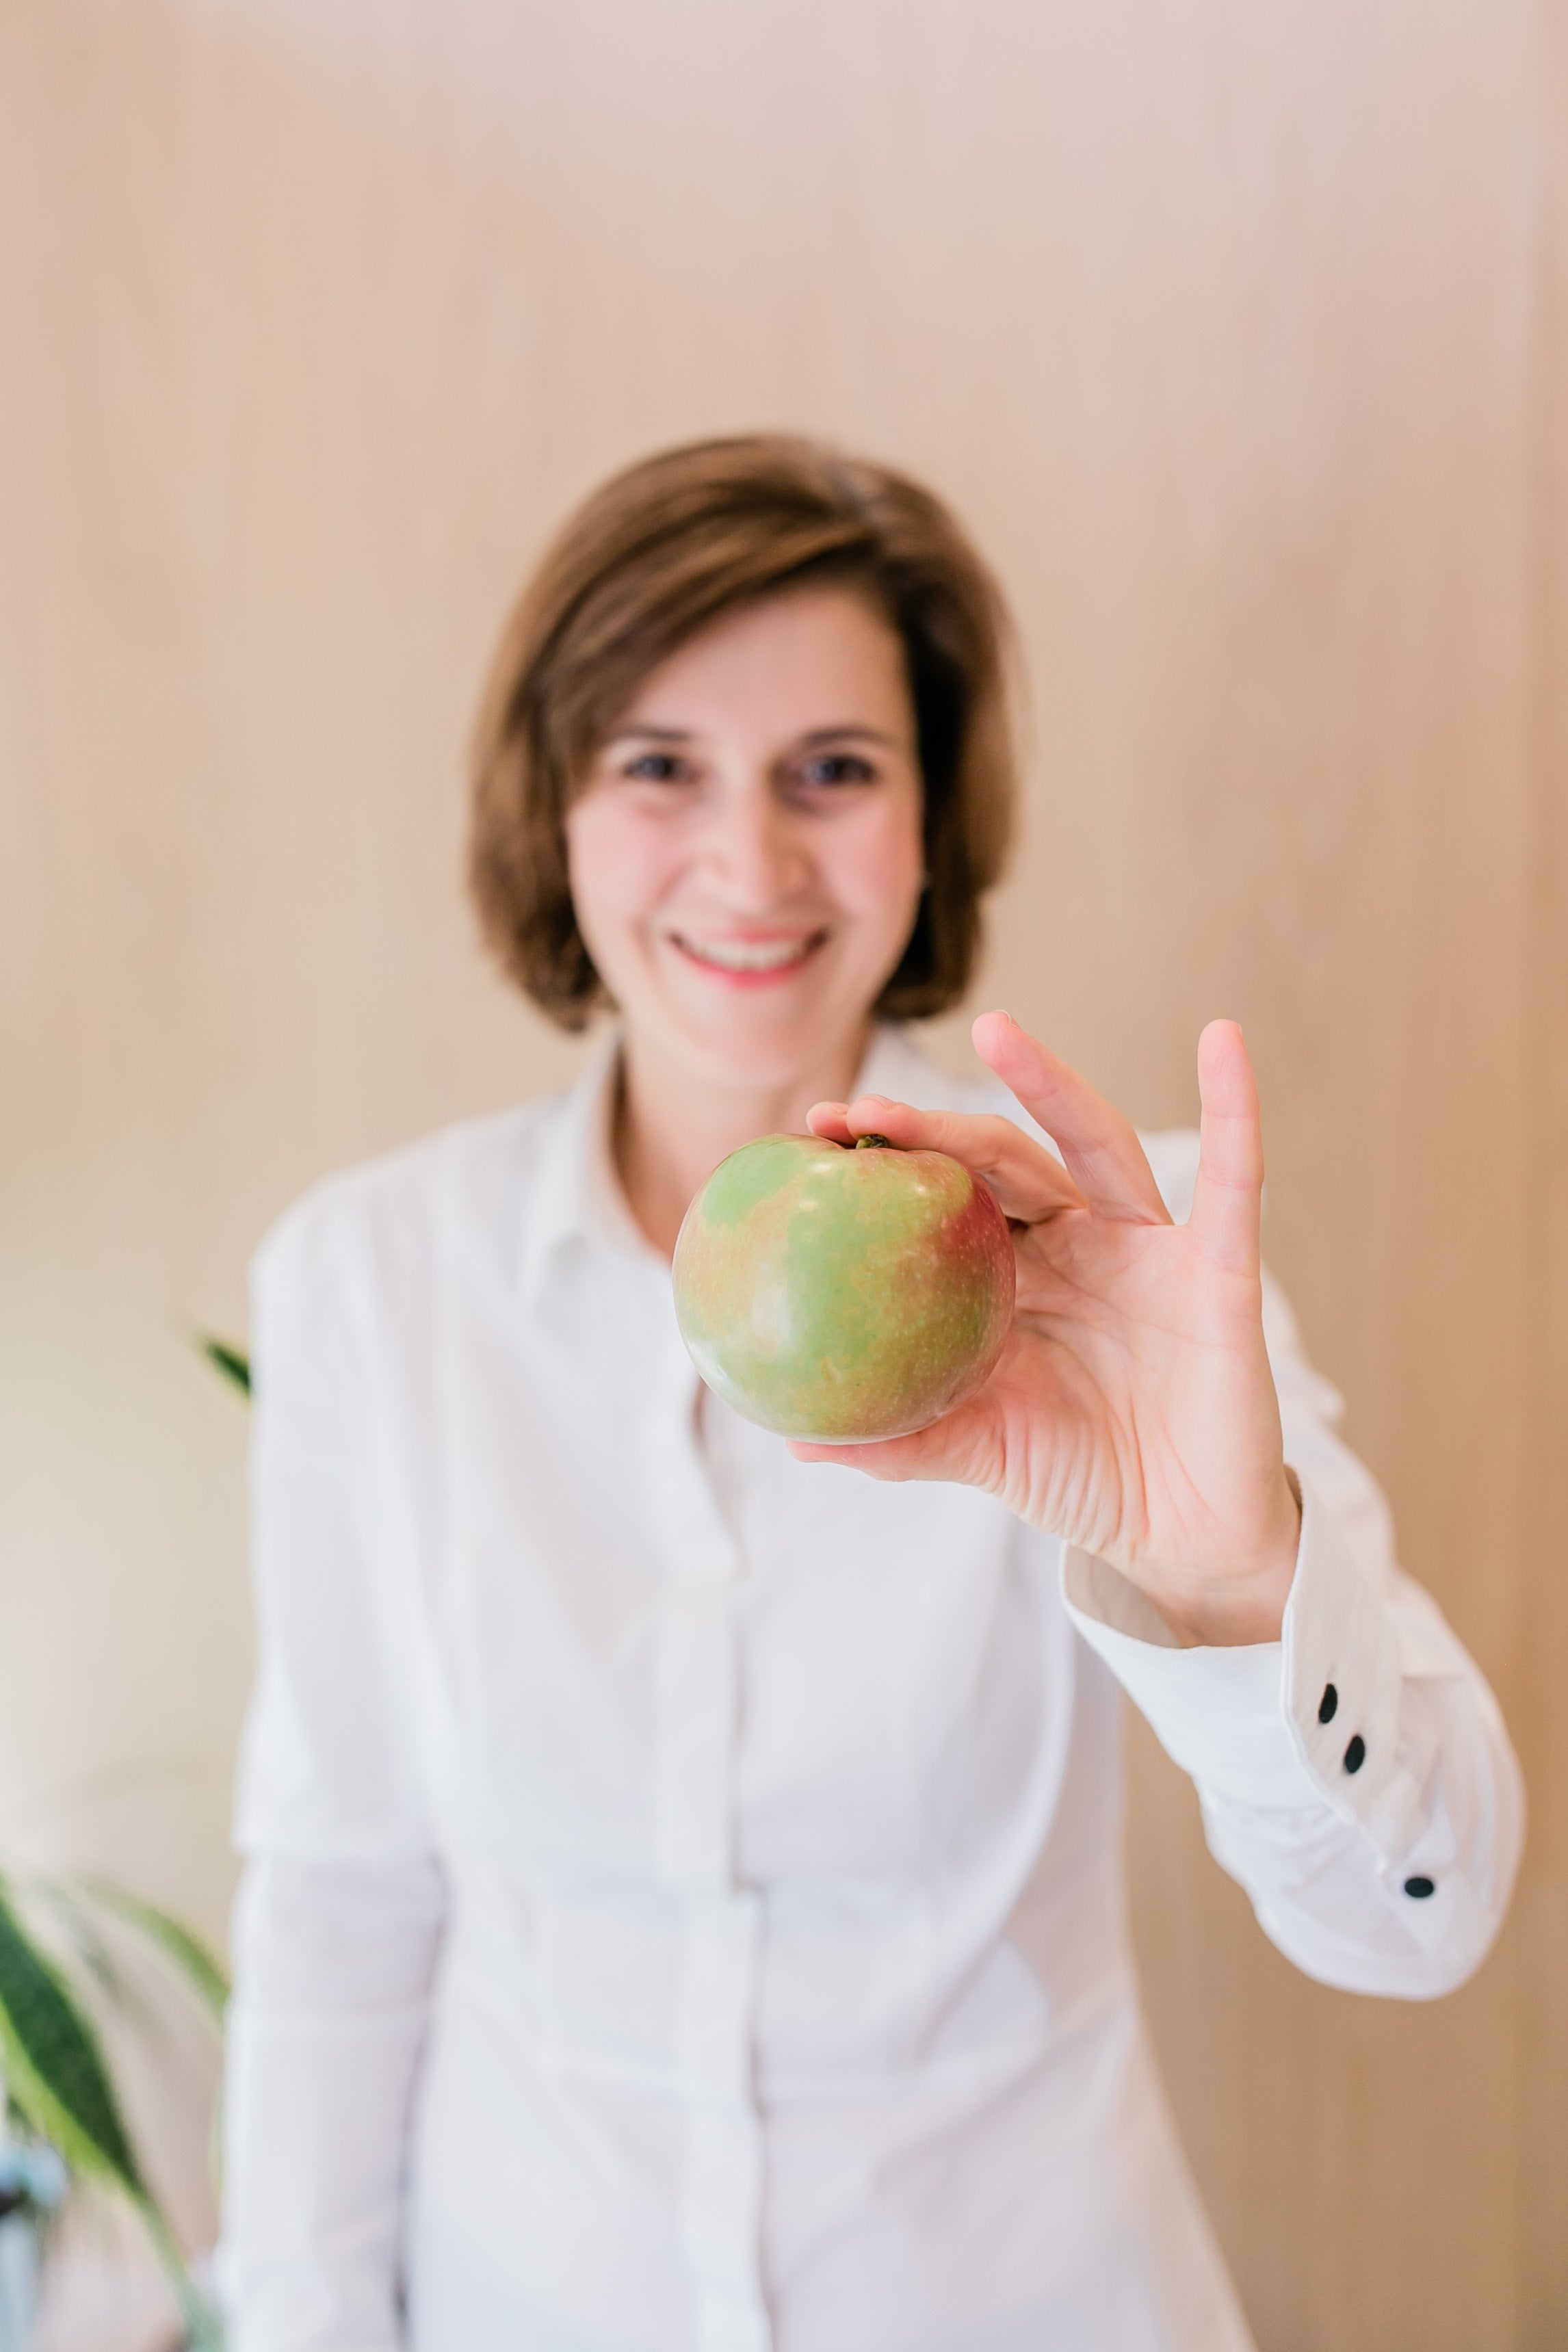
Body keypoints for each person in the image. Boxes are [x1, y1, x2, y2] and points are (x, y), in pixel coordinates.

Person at [217, 436, 1524, 2352]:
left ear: (928, 832)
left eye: (834, 771)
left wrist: (1232, 1581)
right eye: (659, 766)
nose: (750, 865)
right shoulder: (368, 1282)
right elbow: (342, 1903)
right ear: (554, 811)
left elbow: (1423, 1922)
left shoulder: (1116, 1260)